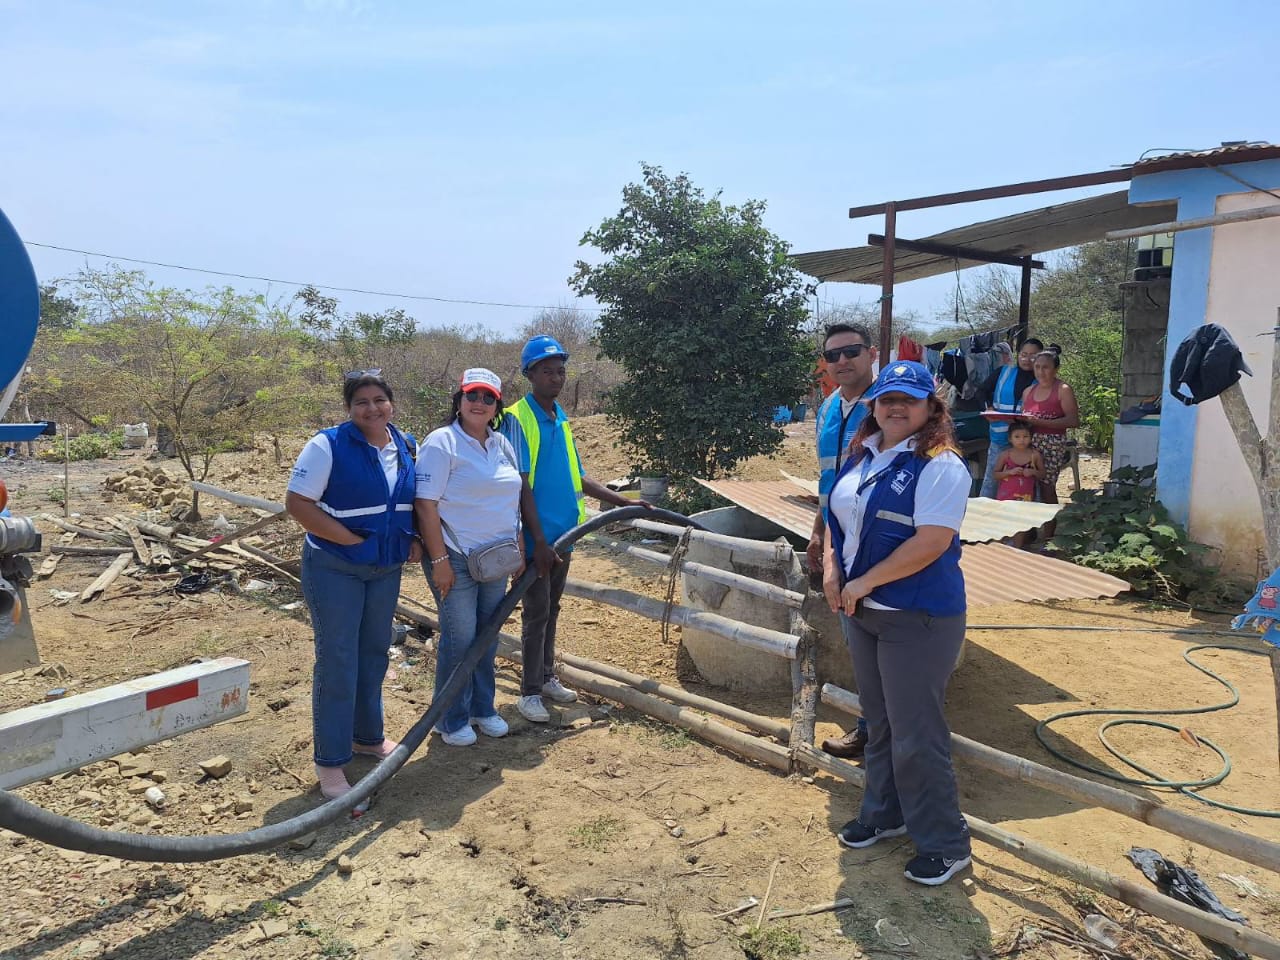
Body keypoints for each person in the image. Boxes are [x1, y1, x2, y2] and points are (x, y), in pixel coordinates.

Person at [822, 360, 972, 886]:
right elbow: (838, 519)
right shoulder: (862, 454)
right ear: (875, 405)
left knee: (917, 732)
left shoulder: (941, 465)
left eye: (909, 399)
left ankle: (945, 843)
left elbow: (930, 543)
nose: (896, 407)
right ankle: (885, 813)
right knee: (879, 722)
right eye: (888, 398)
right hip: (863, 612)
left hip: (917, 615)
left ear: (932, 407)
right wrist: (832, 569)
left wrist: (863, 583)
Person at [501, 335, 652, 723]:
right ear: (530, 374)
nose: (556, 377)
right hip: (537, 539)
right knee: (535, 613)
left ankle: (546, 676)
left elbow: (577, 475)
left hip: (564, 536)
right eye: (546, 371)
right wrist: (537, 541)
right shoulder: (517, 418)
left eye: (560, 371)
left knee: (552, 609)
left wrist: (623, 502)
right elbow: (520, 486)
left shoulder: (560, 417)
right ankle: (529, 692)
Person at [285, 371, 421, 801]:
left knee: (374, 653)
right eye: (361, 401)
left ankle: (367, 737)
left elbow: (413, 500)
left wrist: (414, 538)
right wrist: (351, 542)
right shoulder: (327, 445)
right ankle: (331, 762)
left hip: (384, 569)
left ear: (391, 403)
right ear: (349, 408)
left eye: (379, 399)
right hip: (335, 568)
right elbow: (298, 503)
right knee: (338, 660)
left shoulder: (405, 445)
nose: (372, 408)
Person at [416, 368, 533, 746]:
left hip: (495, 558)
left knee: (488, 634)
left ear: (497, 406)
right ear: (459, 400)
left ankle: (483, 708)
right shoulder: (442, 442)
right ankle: (450, 719)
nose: (479, 403)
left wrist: (518, 545)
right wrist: (439, 562)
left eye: (488, 398)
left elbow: (513, 498)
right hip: (455, 557)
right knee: (460, 638)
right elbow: (426, 504)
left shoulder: (502, 444)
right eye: (472, 395)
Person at [807, 322, 877, 760]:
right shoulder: (829, 408)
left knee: (889, 635)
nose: (842, 361)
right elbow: (828, 479)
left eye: (851, 351)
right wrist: (819, 531)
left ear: (871, 353)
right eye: (833, 356)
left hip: (882, 540)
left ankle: (889, 733)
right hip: (841, 540)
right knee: (858, 637)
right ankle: (873, 728)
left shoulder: (891, 403)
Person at [978, 338, 1042, 498]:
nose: (1027, 359)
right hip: (1000, 437)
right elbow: (981, 391)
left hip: (1026, 439)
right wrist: (988, 408)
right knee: (992, 480)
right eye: (1024, 354)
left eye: (1033, 356)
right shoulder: (1003, 372)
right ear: (1018, 355)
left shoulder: (1042, 379)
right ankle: (985, 511)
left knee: (1027, 482)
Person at [1021, 348, 1079, 504]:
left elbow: (1073, 421)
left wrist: (1040, 422)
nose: (1041, 372)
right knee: (1027, 485)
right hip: (1029, 443)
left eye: (1045, 367)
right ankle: (1029, 520)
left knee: (1047, 487)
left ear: (1056, 369)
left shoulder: (1063, 390)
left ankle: (1051, 519)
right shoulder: (1028, 392)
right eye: (1037, 367)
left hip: (1053, 443)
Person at [993, 422, 1043, 502]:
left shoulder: (1035, 455)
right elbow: (995, 475)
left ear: (1031, 438)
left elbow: (1043, 474)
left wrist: (1033, 472)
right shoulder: (1005, 455)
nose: (1021, 440)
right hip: (1006, 499)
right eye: (1017, 437)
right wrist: (1009, 472)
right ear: (1010, 439)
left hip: (1027, 500)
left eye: (1025, 436)